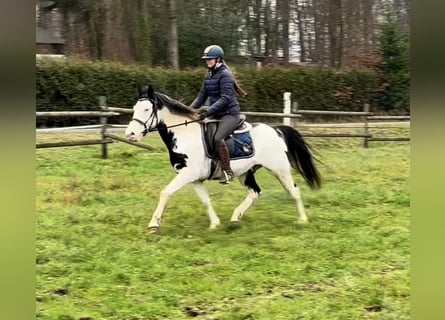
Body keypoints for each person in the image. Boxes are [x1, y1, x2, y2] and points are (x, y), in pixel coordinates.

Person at [191, 45, 247, 184]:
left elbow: (225, 98)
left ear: (218, 59)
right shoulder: (209, 75)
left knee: (217, 139)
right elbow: (201, 97)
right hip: (216, 114)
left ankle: (227, 171)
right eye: (206, 59)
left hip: (229, 114)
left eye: (210, 59)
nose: (207, 61)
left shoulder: (225, 75)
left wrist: (208, 112)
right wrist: (187, 111)